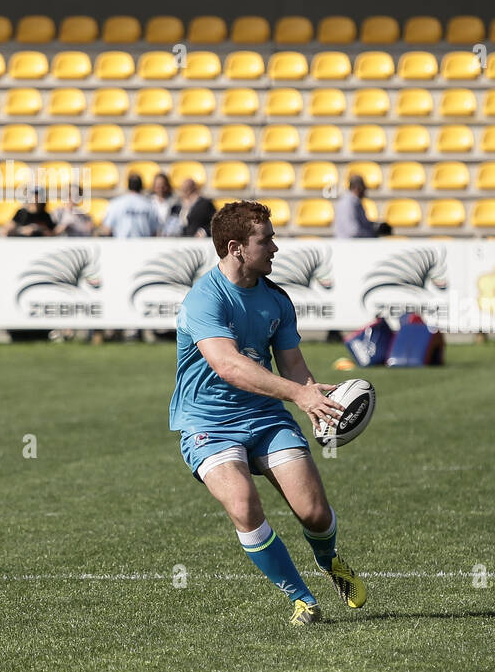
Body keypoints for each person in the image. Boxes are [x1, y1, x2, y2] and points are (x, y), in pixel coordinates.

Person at [169, 200, 367, 626]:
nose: (275, 247)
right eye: (267, 240)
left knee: (314, 513)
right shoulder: (205, 299)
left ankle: (331, 563)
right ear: (237, 247)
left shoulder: (276, 299)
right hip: (209, 424)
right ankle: (301, 598)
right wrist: (298, 395)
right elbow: (229, 365)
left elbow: (292, 364)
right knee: (243, 505)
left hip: (265, 418)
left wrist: (314, 397)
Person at [101, 173, 160, 238]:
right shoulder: (149, 205)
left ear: (128, 185)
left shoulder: (115, 203)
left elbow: (107, 230)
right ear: (141, 186)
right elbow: (154, 231)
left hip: (121, 245)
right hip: (143, 246)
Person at [151, 172, 183, 237]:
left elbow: (176, 222)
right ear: (154, 186)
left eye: (163, 185)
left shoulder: (175, 202)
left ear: (168, 186)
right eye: (158, 185)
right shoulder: (148, 202)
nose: (161, 188)